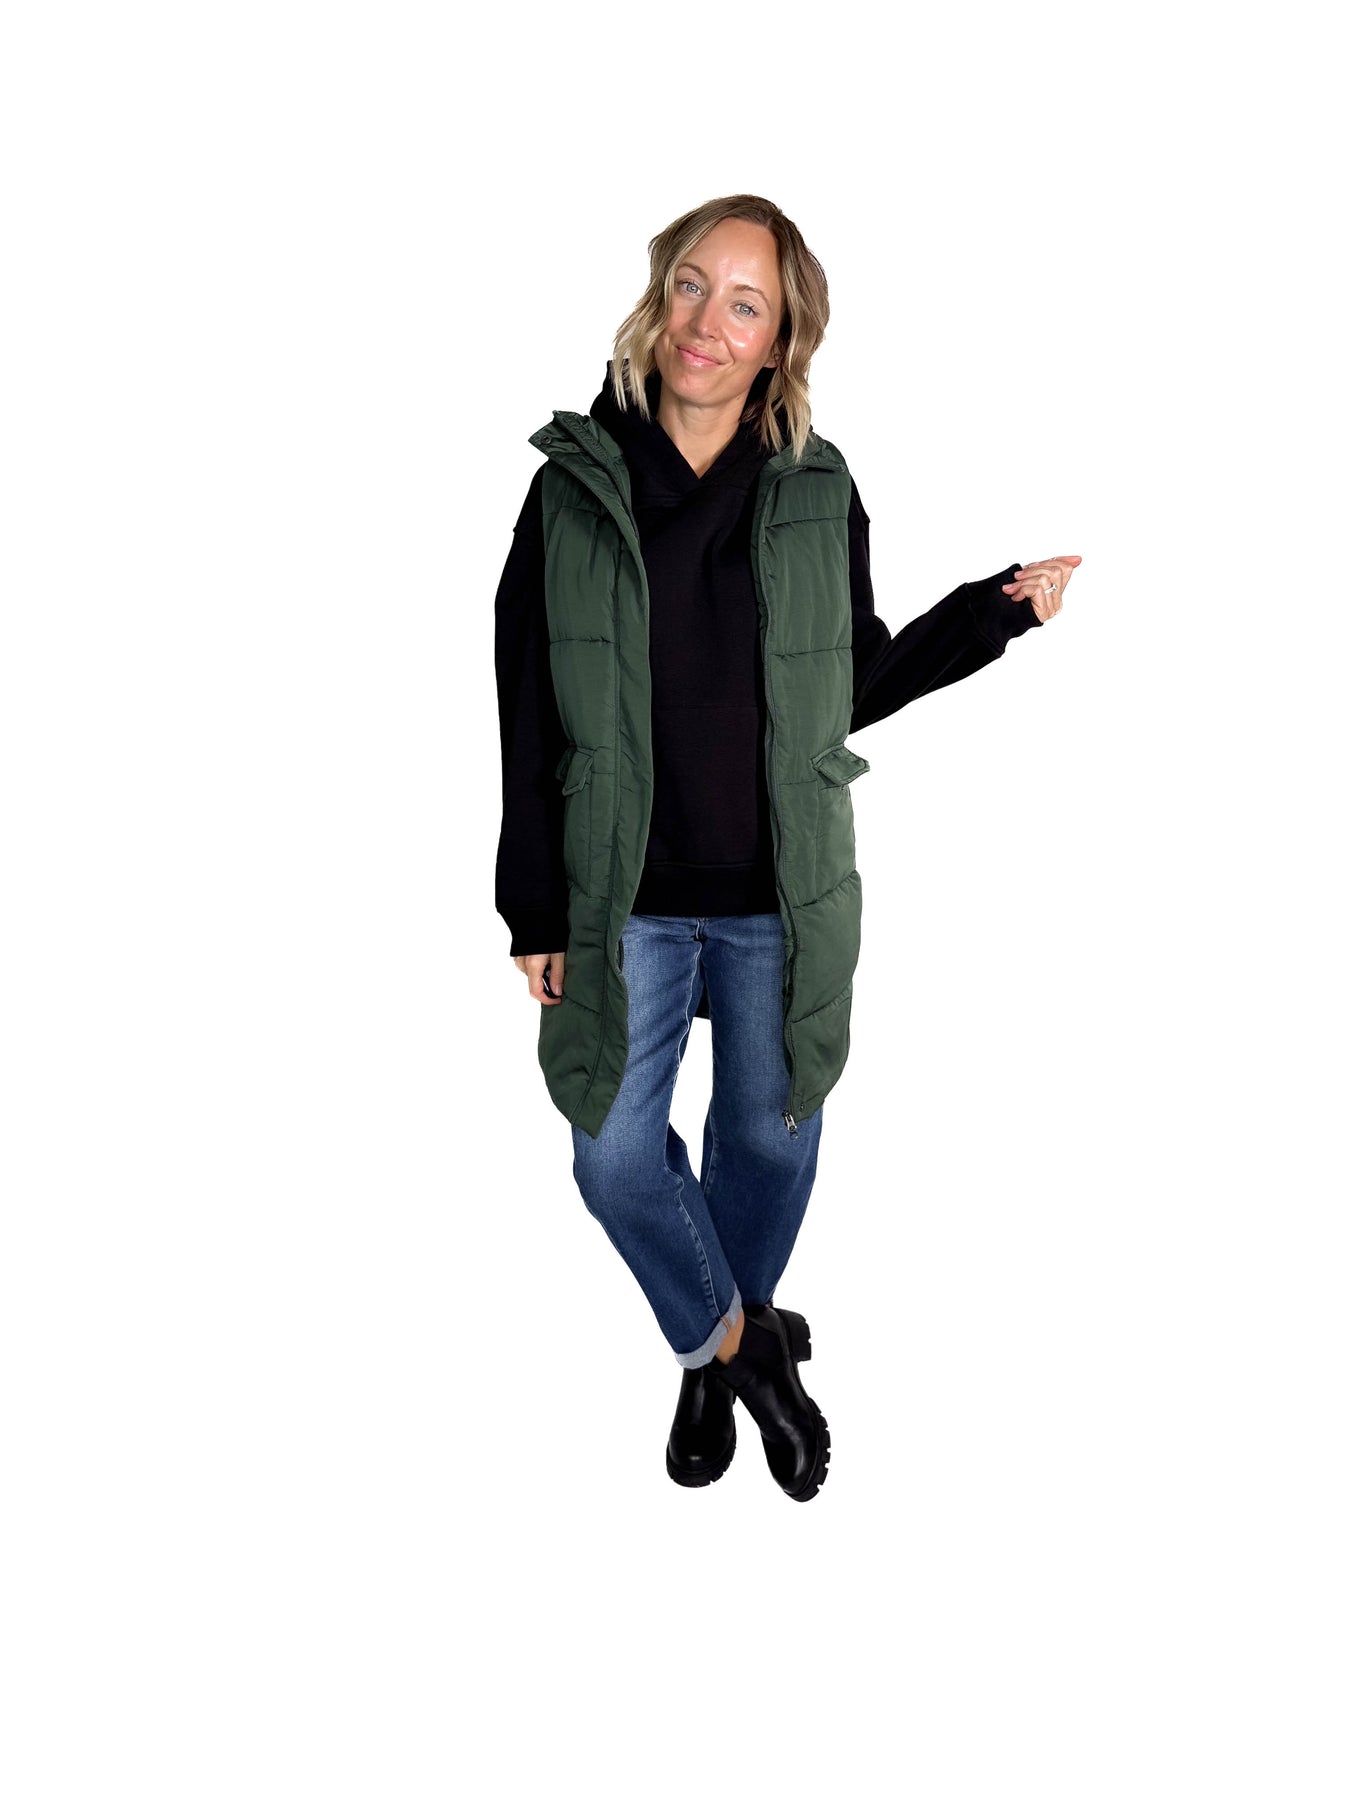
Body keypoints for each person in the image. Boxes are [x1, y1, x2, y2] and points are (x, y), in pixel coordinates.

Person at [493, 194, 1080, 1503]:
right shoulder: (570, 488)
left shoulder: (817, 487)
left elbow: (844, 685)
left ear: (781, 339)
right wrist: (529, 905)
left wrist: (988, 616)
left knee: (771, 1142)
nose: (707, 322)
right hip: (619, 896)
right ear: (658, 298)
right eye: (691, 286)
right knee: (611, 1154)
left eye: (744, 304)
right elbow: (524, 701)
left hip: (780, 892)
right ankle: (745, 1350)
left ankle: (709, 1358)